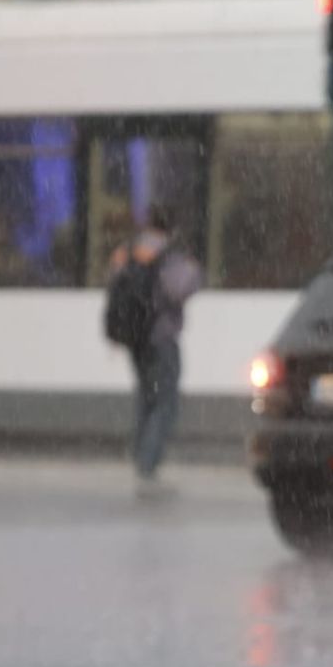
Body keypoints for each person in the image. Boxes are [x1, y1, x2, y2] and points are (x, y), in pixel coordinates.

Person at [106, 206, 202, 495]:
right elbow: (178, 289)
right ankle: (148, 463)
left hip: (136, 338)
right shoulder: (168, 254)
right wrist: (194, 270)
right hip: (161, 338)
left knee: (146, 397)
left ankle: (139, 455)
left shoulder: (127, 251)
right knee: (166, 401)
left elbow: (112, 279)